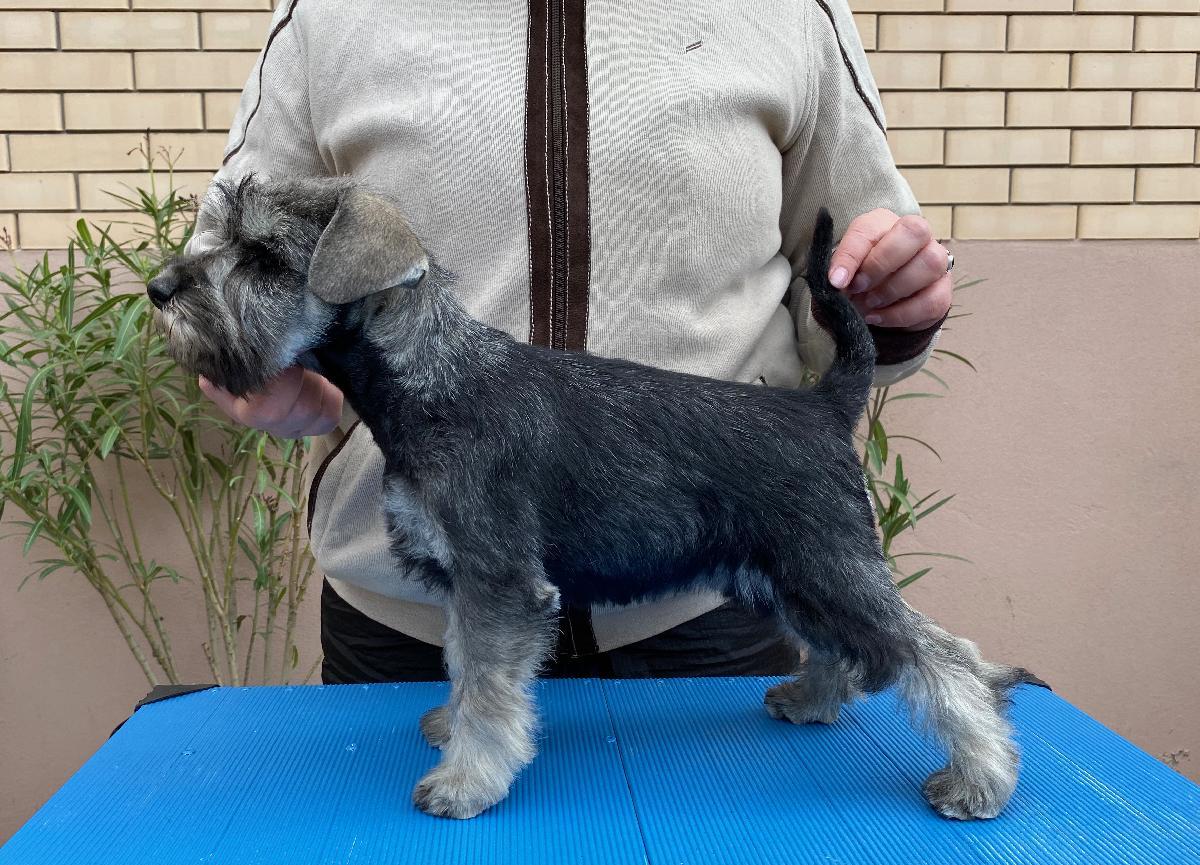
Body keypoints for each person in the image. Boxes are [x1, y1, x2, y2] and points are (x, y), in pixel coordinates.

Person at [188, 0, 954, 683]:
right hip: (411, 608)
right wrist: (253, 367)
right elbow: (226, 254)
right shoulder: (326, 13)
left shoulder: (790, 10)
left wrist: (891, 300)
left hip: (704, 588)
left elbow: (855, 264)